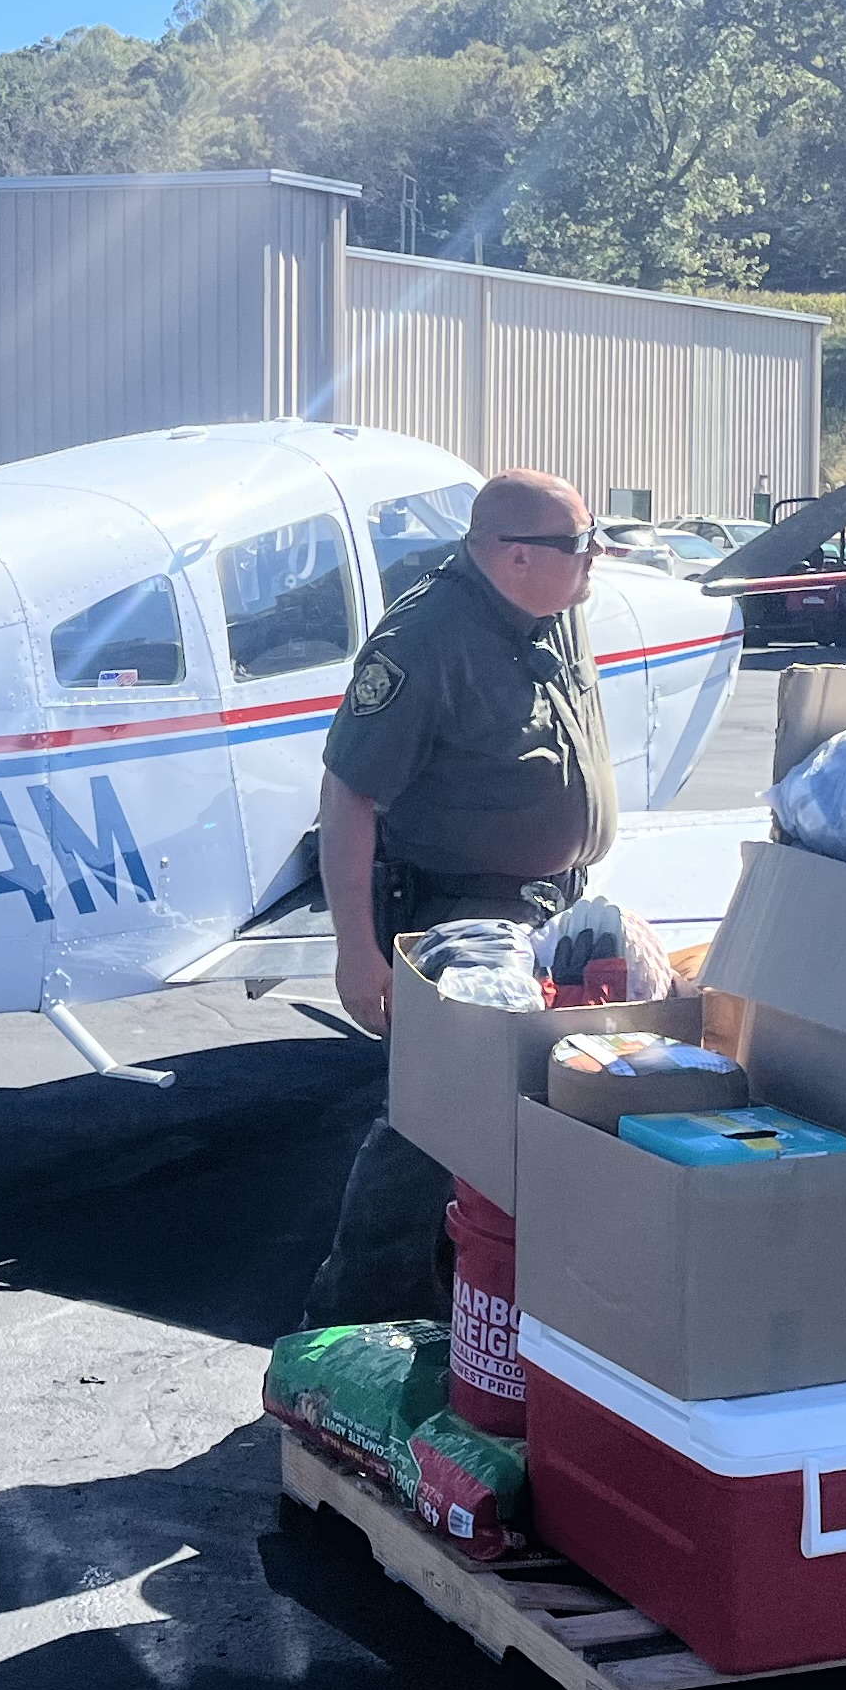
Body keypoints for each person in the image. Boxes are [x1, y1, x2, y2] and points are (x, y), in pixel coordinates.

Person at [302, 468, 617, 1326]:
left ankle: (464, 1312)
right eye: (581, 545)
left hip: (546, 907)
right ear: (515, 556)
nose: (598, 558)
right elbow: (347, 796)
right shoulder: (426, 637)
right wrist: (356, 951)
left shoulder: (551, 606)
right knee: (435, 1125)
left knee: (509, 1124)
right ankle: (346, 1328)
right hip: (458, 915)